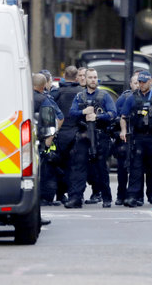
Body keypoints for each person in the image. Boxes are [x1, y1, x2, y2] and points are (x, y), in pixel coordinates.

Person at [65, 68, 116, 209]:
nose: (93, 80)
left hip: (101, 136)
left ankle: (106, 197)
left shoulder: (104, 96)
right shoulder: (79, 96)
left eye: (95, 77)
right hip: (83, 136)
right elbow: (72, 113)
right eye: (90, 77)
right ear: (85, 79)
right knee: (79, 167)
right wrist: (83, 112)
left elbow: (113, 114)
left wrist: (98, 116)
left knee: (101, 168)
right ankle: (75, 198)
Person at [120, 71, 152, 207]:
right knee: (136, 168)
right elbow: (123, 116)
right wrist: (123, 130)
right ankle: (133, 196)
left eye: (144, 82)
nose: (141, 84)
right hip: (138, 137)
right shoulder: (132, 98)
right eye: (139, 82)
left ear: (150, 81)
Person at [33, 74, 64, 224]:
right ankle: (37, 214)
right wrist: (48, 141)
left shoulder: (21, 97)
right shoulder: (45, 99)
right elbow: (58, 119)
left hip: (19, 145)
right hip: (39, 143)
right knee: (39, 176)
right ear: (44, 85)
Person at [52, 66, 83, 205]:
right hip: (76, 133)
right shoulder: (81, 92)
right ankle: (73, 195)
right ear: (77, 77)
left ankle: (59, 194)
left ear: (64, 76)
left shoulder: (56, 92)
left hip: (58, 134)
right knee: (74, 167)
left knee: (58, 166)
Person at [113, 72, 140, 205]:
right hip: (124, 138)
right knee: (122, 168)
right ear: (130, 84)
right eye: (135, 82)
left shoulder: (147, 98)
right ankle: (121, 194)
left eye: (139, 82)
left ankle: (136, 195)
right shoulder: (124, 98)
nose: (137, 85)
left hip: (138, 137)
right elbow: (115, 117)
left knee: (137, 168)